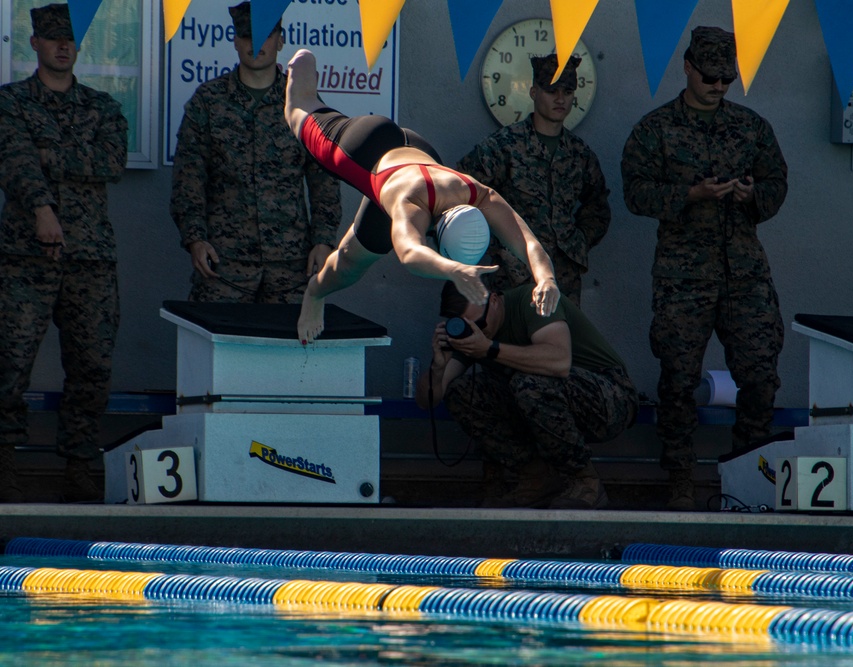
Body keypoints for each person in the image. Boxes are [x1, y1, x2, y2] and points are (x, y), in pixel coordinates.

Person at [282, 49, 560, 344]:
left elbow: (529, 243)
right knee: (299, 109)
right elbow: (410, 254)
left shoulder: (480, 196)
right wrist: (453, 269)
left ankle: (314, 291)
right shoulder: (410, 202)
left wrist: (547, 279)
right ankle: (304, 63)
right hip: (365, 149)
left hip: (419, 151)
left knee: (351, 265)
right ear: (437, 235)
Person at [620, 26, 788, 511]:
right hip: (682, 276)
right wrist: (687, 196)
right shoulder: (654, 129)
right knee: (677, 379)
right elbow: (635, 192)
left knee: (759, 375)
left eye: (727, 79)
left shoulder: (751, 127)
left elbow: (777, 185)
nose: (718, 87)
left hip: (744, 274)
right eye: (710, 77)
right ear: (689, 68)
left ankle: (748, 482)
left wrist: (751, 195)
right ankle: (679, 482)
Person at [0, 3, 128, 502]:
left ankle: (79, 466)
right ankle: (5, 467)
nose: (61, 46)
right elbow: (14, 161)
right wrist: (42, 207)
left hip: (90, 257)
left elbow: (112, 163)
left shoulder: (103, 108)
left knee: (92, 366)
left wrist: (47, 154)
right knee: (10, 365)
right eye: (52, 38)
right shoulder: (10, 103)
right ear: (34, 43)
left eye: (69, 39)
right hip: (23, 256)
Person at [171, 2, 342, 304]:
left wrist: (324, 241)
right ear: (235, 41)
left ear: (280, 40)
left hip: (291, 268)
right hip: (224, 267)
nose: (256, 44)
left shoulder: (304, 104)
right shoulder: (208, 102)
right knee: (220, 348)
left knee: (292, 350)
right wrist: (195, 239)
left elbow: (324, 181)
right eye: (248, 36)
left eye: (266, 35)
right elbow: (188, 180)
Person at [415, 282, 638, 509]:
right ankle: (537, 479)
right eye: (468, 327)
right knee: (461, 392)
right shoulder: (475, 335)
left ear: (493, 300)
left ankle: (584, 480)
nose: (477, 332)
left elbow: (559, 361)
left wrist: (489, 348)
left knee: (528, 383)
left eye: (480, 325)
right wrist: (438, 367)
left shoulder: (534, 300)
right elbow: (427, 401)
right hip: (542, 400)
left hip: (609, 398)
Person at [456, 54, 611, 306]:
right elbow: (462, 193)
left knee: (559, 343)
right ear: (533, 92)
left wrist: (577, 243)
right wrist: (497, 249)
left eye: (568, 91)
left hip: (562, 279)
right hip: (511, 277)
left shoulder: (579, 153)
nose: (560, 99)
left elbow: (598, 206)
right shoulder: (504, 146)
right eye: (552, 91)